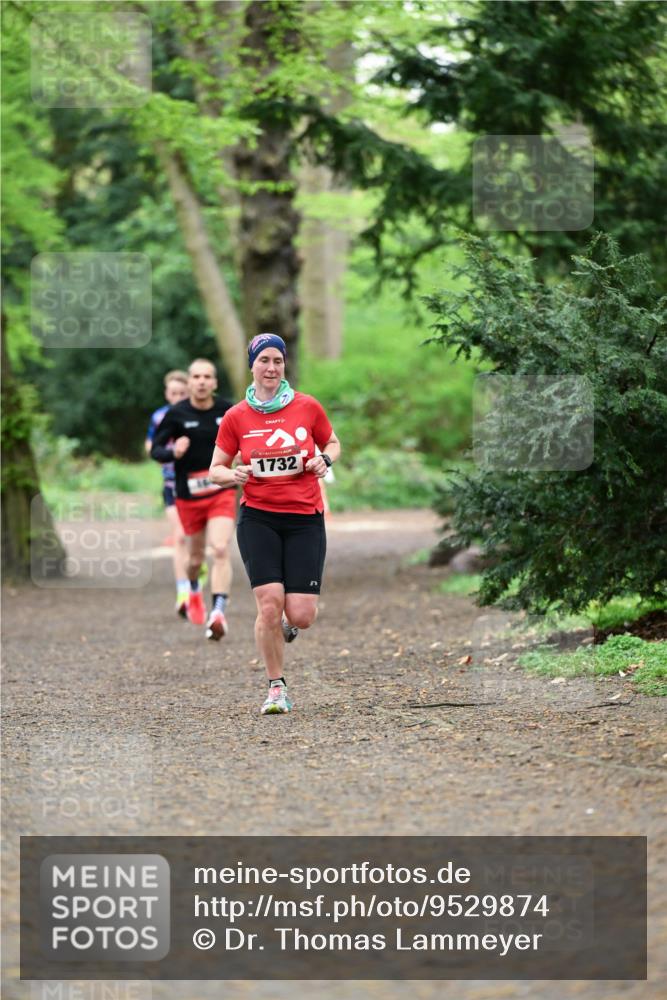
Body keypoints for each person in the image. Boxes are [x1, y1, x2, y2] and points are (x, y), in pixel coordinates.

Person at [209, 333, 340, 714]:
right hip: (258, 518)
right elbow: (215, 469)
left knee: (301, 614)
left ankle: (288, 623)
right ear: (252, 365)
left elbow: (333, 443)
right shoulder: (236, 417)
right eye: (264, 360)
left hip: (304, 518)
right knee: (269, 605)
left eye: (278, 361)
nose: (271, 368)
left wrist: (324, 460)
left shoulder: (307, 406)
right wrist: (233, 475)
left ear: (284, 365)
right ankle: (276, 688)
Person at [151, 359, 236, 640]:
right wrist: (173, 453)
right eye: (196, 376)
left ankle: (218, 613)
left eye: (207, 376)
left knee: (220, 548)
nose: (201, 381)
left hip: (221, 490)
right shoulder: (176, 414)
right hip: (189, 496)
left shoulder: (227, 410)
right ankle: (194, 589)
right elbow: (156, 450)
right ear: (189, 382)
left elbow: (245, 440)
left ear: (215, 382)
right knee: (196, 558)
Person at [145, 370, 190, 616]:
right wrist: (166, 452)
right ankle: (183, 592)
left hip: (197, 486)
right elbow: (150, 445)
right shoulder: (159, 417)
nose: (178, 397)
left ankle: (196, 567)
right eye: (174, 393)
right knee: (180, 535)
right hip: (172, 484)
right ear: (167, 394)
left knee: (195, 540)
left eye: (182, 393)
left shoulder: (196, 415)